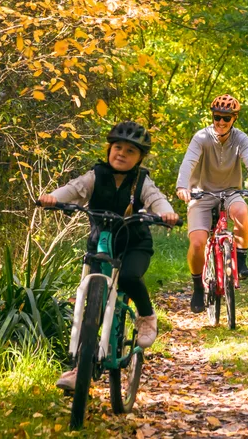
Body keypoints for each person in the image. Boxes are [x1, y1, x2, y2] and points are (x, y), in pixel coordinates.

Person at [38, 120, 179, 392]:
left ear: (139, 158)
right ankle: (79, 366)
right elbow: (73, 190)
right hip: (100, 244)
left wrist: (166, 213)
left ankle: (147, 316)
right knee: (90, 295)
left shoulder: (142, 182)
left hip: (133, 244)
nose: (122, 154)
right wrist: (53, 198)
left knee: (128, 277)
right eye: (117, 148)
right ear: (108, 150)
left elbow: (157, 199)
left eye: (130, 151)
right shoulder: (95, 175)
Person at [176, 94, 248, 313]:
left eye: (226, 118)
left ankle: (241, 259)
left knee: (241, 211)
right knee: (198, 242)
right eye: (217, 117)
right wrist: (182, 186)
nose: (221, 122)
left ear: (234, 119)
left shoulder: (241, 139)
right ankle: (198, 286)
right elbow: (189, 162)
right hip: (202, 194)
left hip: (230, 192)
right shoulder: (201, 137)